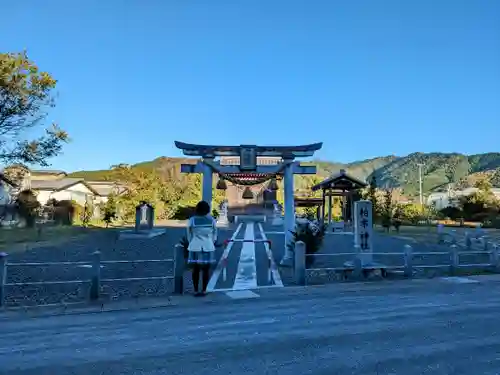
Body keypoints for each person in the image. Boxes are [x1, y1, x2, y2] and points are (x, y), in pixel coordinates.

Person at [186, 200, 217, 296]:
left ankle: (195, 290)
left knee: (195, 269)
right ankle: (204, 290)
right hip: (208, 245)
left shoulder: (192, 220)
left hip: (195, 245)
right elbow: (215, 234)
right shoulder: (212, 220)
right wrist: (211, 242)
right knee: (206, 270)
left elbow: (189, 234)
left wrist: (191, 241)